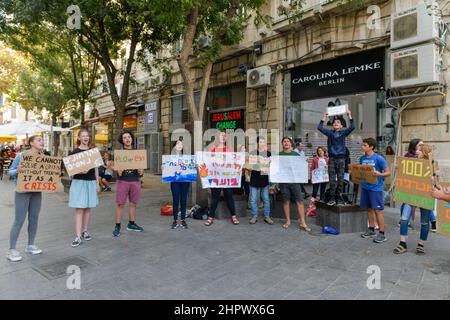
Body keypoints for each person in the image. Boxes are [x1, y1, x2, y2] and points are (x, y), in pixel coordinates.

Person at [6, 135, 46, 262]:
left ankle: (30, 245)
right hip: (22, 191)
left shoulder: (43, 157)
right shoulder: (21, 155)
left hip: (36, 192)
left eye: (42, 140)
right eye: (39, 140)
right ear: (31, 143)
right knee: (19, 220)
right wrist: (17, 170)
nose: (42, 142)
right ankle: (11, 250)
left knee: (34, 218)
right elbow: (10, 172)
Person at [393, 144, 434, 255]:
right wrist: (398, 169)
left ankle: (421, 244)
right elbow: (404, 176)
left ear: (425, 152)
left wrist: (435, 176)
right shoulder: (410, 163)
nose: (416, 152)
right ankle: (402, 244)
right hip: (411, 195)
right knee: (404, 219)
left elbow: (436, 184)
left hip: (425, 196)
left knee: (425, 223)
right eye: (416, 149)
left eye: (419, 150)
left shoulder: (432, 165)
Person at [69, 129, 100, 247]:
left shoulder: (93, 152)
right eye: (83, 136)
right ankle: (77, 236)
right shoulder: (74, 152)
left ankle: (85, 231)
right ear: (79, 138)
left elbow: (96, 168)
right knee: (79, 209)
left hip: (91, 182)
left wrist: (97, 183)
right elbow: (70, 171)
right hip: (79, 182)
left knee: (88, 208)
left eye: (87, 136)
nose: (85, 138)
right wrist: (80, 171)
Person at [318, 110, 355, 206]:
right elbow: (319, 127)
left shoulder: (343, 133)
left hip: (341, 159)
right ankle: (332, 198)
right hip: (332, 158)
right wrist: (324, 117)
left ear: (341, 126)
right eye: (334, 122)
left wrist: (349, 115)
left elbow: (352, 127)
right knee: (332, 180)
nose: (336, 123)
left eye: (338, 122)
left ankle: (339, 198)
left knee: (341, 179)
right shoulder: (330, 133)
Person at [112, 130, 145, 237]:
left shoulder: (138, 153)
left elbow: (141, 171)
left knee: (133, 203)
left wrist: (141, 171)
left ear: (132, 139)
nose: (127, 139)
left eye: (129, 137)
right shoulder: (119, 153)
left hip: (135, 180)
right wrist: (118, 169)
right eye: (125, 137)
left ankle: (131, 223)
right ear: (122, 140)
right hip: (123, 181)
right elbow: (115, 168)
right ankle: (117, 226)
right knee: (120, 204)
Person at [204, 131, 240, 226]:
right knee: (215, 198)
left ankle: (234, 216)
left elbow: (234, 162)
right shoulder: (213, 149)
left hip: (227, 178)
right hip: (216, 178)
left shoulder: (229, 149)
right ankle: (211, 217)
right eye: (221, 135)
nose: (223, 137)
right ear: (217, 137)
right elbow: (208, 162)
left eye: (225, 135)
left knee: (229, 197)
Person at [359, 138, 390, 243]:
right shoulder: (362, 158)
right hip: (365, 187)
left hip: (375, 188)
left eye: (365, 145)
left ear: (371, 147)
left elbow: (388, 173)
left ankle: (382, 234)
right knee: (369, 209)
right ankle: (371, 229)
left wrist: (379, 174)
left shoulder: (379, 158)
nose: (362, 147)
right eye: (362, 145)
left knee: (378, 210)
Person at [279, 137, 311, 232]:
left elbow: (301, 167)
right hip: (284, 182)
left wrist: (305, 163)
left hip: (295, 181)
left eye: (288, 141)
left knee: (299, 201)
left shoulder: (296, 154)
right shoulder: (279, 155)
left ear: (291, 144)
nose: (286, 143)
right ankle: (288, 221)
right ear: (282, 144)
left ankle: (303, 222)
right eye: (284, 141)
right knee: (286, 201)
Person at [248, 136, 273, 225]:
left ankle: (267, 216)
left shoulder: (269, 154)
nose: (261, 143)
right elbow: (250, 167)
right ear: (257, 143)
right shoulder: (253, 153)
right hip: (254, 178)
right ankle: (254, 216)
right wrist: (256, 163)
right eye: (260, 142)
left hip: (264, 179)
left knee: (266, 199)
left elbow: (271, 166)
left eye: (263, 142)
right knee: (253, 199)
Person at [170, 139, 190, 229]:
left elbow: (190, 167)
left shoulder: (187, 157)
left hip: (185, 181)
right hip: (175, 181)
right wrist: (164, 167)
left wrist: (194, 166)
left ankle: (183, 220)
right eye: (178, 144)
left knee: (184, 200)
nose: (179, 145)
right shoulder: (170, 157)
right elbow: (167, 168)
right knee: (175, 200)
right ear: (174, 146)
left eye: (181, 144)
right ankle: (175, 220)